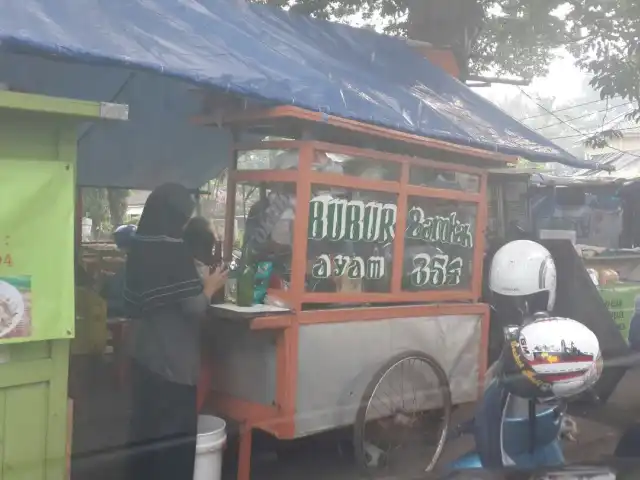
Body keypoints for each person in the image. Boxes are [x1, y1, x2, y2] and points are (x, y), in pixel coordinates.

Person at [123, 183, 227, 480]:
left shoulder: (139, 247)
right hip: (174, 365)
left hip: (144, 359)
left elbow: (133, 303)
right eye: (182, 217)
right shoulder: (171, 252)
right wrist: (209, 288)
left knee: (145, 435)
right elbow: (193, 307)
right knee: (173, 446)